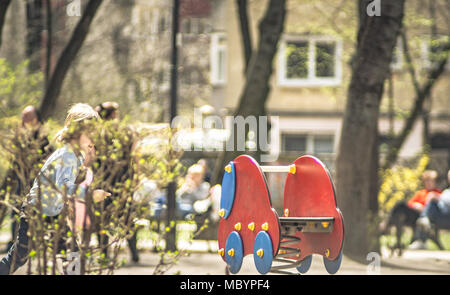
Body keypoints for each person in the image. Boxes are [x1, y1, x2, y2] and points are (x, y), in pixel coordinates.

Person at [0, 103, 110, 275]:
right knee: (19, 257)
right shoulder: (68, 155)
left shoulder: (74, 155)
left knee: (72, 254)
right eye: (91, 135)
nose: (94, 140)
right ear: (77, 133)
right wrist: (89, 195)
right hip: (35, 212)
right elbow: (64, 188)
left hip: (52, 214)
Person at [0, 106, 53, 253]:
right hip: (21, 181)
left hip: (37, 183)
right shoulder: (21, 137)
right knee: (17, 210)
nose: (23, 119)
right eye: (23, 116)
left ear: (35, 118)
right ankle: (15, 242)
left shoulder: (42, 138)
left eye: (27, 116)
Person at [93, 101, 140, 263]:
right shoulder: (124, 132)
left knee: (103, 219)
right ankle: (134, 253)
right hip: (122, 180)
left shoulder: (98, 134)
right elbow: (134, 154)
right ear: (114, 115)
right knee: (126, 217)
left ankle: (104, 254)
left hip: (104, 181)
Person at [407, 170, 442, 250]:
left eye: (430, 181)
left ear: (435, 182)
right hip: (418, 214)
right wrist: (416, 205)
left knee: (424, 221)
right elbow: (410, 203)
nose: (428, 183)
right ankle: (418, 241)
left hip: (433, 217)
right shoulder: (421, 193)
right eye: (426, 181)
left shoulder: (438, 193)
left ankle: (420, 241)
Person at [416, 170, 450, 241]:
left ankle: (424, 217)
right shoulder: (446, 192)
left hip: (447, 217)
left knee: (432, 204)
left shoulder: (440, 193)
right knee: (425, 218)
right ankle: (420, 240)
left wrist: (437, 197)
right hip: (439, 216)